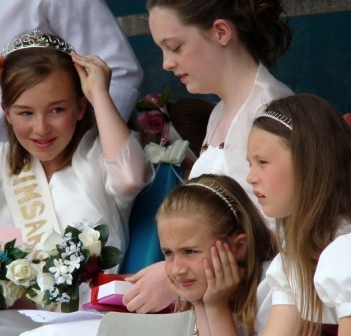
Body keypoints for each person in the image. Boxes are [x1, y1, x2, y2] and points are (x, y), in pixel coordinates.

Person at [123, 0, 293, 313]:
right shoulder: (219, 113)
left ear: (221, 32)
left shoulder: (269, 112)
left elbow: (281, 235)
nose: (166, 63)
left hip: (261, 306)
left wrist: (174, 277)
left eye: (174, 47)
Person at [0, 0, 143, 235]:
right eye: (25, 112)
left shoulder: (99, 159)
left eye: (57, 110)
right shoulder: (1, 165)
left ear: (81, 107)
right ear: (7, 114)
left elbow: (131, 178)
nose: (41, 128)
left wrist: (99, 94)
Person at [246, 94, 351, 335]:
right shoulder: (294, 257)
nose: (250, 177)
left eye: (262, 161)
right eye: (250, 163)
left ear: (311, 163)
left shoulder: (345, 251)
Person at [157, 174, 277, 335]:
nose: (177, 269)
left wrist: (216, 308)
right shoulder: (203, 293)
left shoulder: (271, 288)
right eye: (168, 253)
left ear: (237, 247)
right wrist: (199, 303)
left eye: (190, 251)